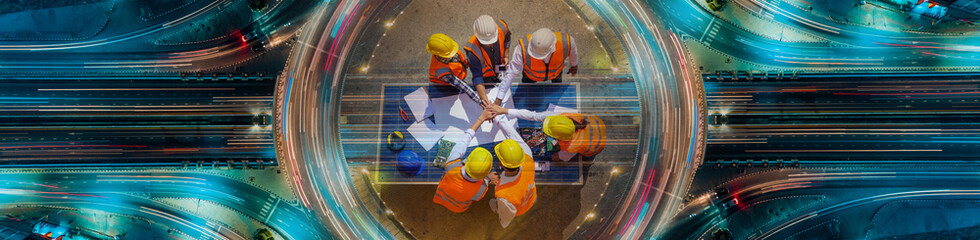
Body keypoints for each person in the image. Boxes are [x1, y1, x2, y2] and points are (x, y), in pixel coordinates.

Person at [489, 28, 579, 106]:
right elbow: (511, 74)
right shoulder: (522, 48)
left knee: (555, 91)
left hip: (556, 74)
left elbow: (573, 53)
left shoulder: (567, 42)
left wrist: (574, 65)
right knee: (527, 91)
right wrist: (498, 99)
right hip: (530, 76)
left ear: (552, 48)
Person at [433, 109, 500, 213]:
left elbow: (464, 139)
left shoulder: (451, 165)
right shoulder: (481, 190)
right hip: (458, 208)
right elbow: (481, 186)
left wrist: (481, 118)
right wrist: (488, 179)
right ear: (485, 174)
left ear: (467, 161)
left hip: (440, 197)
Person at [486, 104, 605, 161]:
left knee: (553, 158)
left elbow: (558, 157)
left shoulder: (572, 146)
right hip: (597, 126)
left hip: (593, 149)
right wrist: (504, 111)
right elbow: (533, 115)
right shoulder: (560, 118)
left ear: (561, 139)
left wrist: (550, 158)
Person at [487, 114, 537, 227]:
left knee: (493, 204)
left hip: (519, 209)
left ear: (500, 164)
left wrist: (486, 179)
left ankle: (497, 208)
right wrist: (497, 114)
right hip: (531, 198)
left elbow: (505, 221)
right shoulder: (528, 157)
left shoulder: (503, 194)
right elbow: (512, 134)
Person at [463, 15, 511, 107]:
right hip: (486, 77)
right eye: (486, 42)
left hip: (501, 65)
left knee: (502, 83)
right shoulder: (472, 50)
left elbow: (507, 38)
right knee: (491, 90)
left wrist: (506, 55)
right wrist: (485, 100)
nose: (490, 44)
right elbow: (477, 77)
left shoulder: (502, 27)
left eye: (492, 40)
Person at [427, 33, 484, 105]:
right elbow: (462, 86)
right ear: (440, 55)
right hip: (444, 87)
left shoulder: (450, 49)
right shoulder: (441, 70)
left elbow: (464, 60)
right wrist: (479, 101)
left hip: (458, 77)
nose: (454, 54)